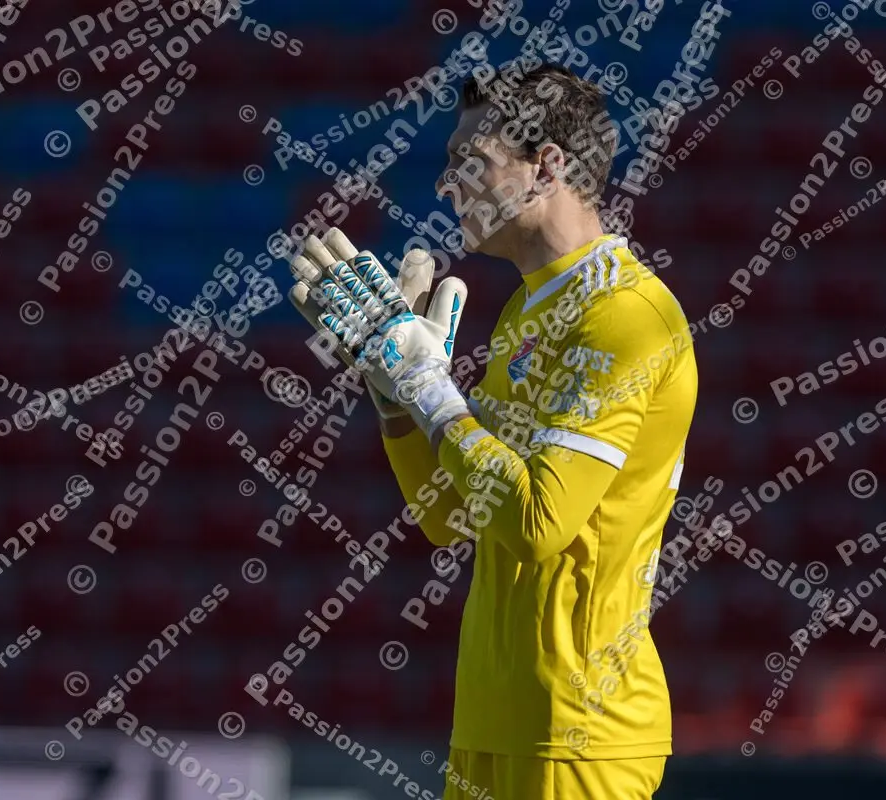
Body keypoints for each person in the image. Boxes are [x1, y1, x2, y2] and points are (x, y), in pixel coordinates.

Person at [288, 61, 696, 800]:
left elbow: (539, 520)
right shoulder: (527, 312)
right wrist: (396, 398)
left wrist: (432, 390)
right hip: (492, 723)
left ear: (547, 166)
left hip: (579, 735)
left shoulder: (629, 317)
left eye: (468, 162)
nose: (446, 185)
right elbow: (451, 517)